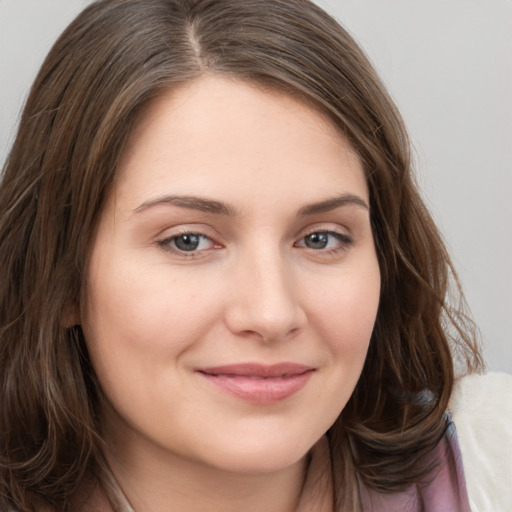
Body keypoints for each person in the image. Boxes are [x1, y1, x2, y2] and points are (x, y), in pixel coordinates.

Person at [0, 0, 510, 511]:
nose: (271, 314)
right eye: (188, 241)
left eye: (320, 238)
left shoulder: (494, 467)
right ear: (60, 276)